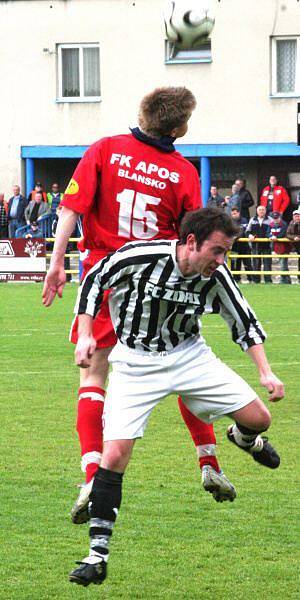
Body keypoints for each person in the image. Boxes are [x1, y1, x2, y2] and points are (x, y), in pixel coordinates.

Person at [42, 86, 236, 519]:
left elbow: (70, 209)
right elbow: (195, 235)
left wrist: (56, 264)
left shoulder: (105, 149)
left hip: (105, 279)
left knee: (93, 377)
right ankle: (208, 459)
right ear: (180, 126)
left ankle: (92, 474)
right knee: (185, 363)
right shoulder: (183, 172)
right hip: (157, 283)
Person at [69, 208, 284, 587]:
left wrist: (265, 371)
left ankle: (242, 439)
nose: (221, 261)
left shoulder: (216, 276)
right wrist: (87, 333)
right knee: (115, 455)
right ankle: (96, 556)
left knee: (259, 418)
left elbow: (243, 320)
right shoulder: (140, 257)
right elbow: (94, 280)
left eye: (226, 253)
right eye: (216, 251)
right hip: (135, 363)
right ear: (190, 242)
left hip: (189, 356)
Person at [246, 205, 272, 283]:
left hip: (267, 246)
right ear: (257, 211)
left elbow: (272, 231)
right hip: (255, 246)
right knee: (255, 264)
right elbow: (247, 231)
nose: (261, 211)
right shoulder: (252, 220)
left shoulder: (270, 220)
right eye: (260, 210)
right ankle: (256, 281)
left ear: (265, 211)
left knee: (267, 264)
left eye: (263, 210)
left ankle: (268, 281)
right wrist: (250, 235)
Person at [229, 207, 252, 282]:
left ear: (238, 213)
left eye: (235, 213)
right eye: (232, 214)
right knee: (235, 264)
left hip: (244, 246)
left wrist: (235, 237)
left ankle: (251, 279)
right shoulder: (229, 221)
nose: (233, 215)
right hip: (234, 247)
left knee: (247, 263)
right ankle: (236, 279)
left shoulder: (244, 220)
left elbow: (243, 231)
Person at [267, 211, 291, 284]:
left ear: (279, 217)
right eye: (274, 218)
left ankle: (284, 280)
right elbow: (267, 233)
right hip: (276, 247)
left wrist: (276, 237)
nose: (275, 220)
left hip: (284, 247)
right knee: (283, 264)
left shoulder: (284, 224)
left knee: (283, 264)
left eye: (277, 218)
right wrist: (271, 236)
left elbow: (283, 233)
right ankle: (287, 280)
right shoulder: (271, 224)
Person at [286, 208, 300, 283]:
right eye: (295, 216)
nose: (297, 217)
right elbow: (287, 234)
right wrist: (294, 238)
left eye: (298, 216)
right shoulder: (291, 224)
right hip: (295, 246)